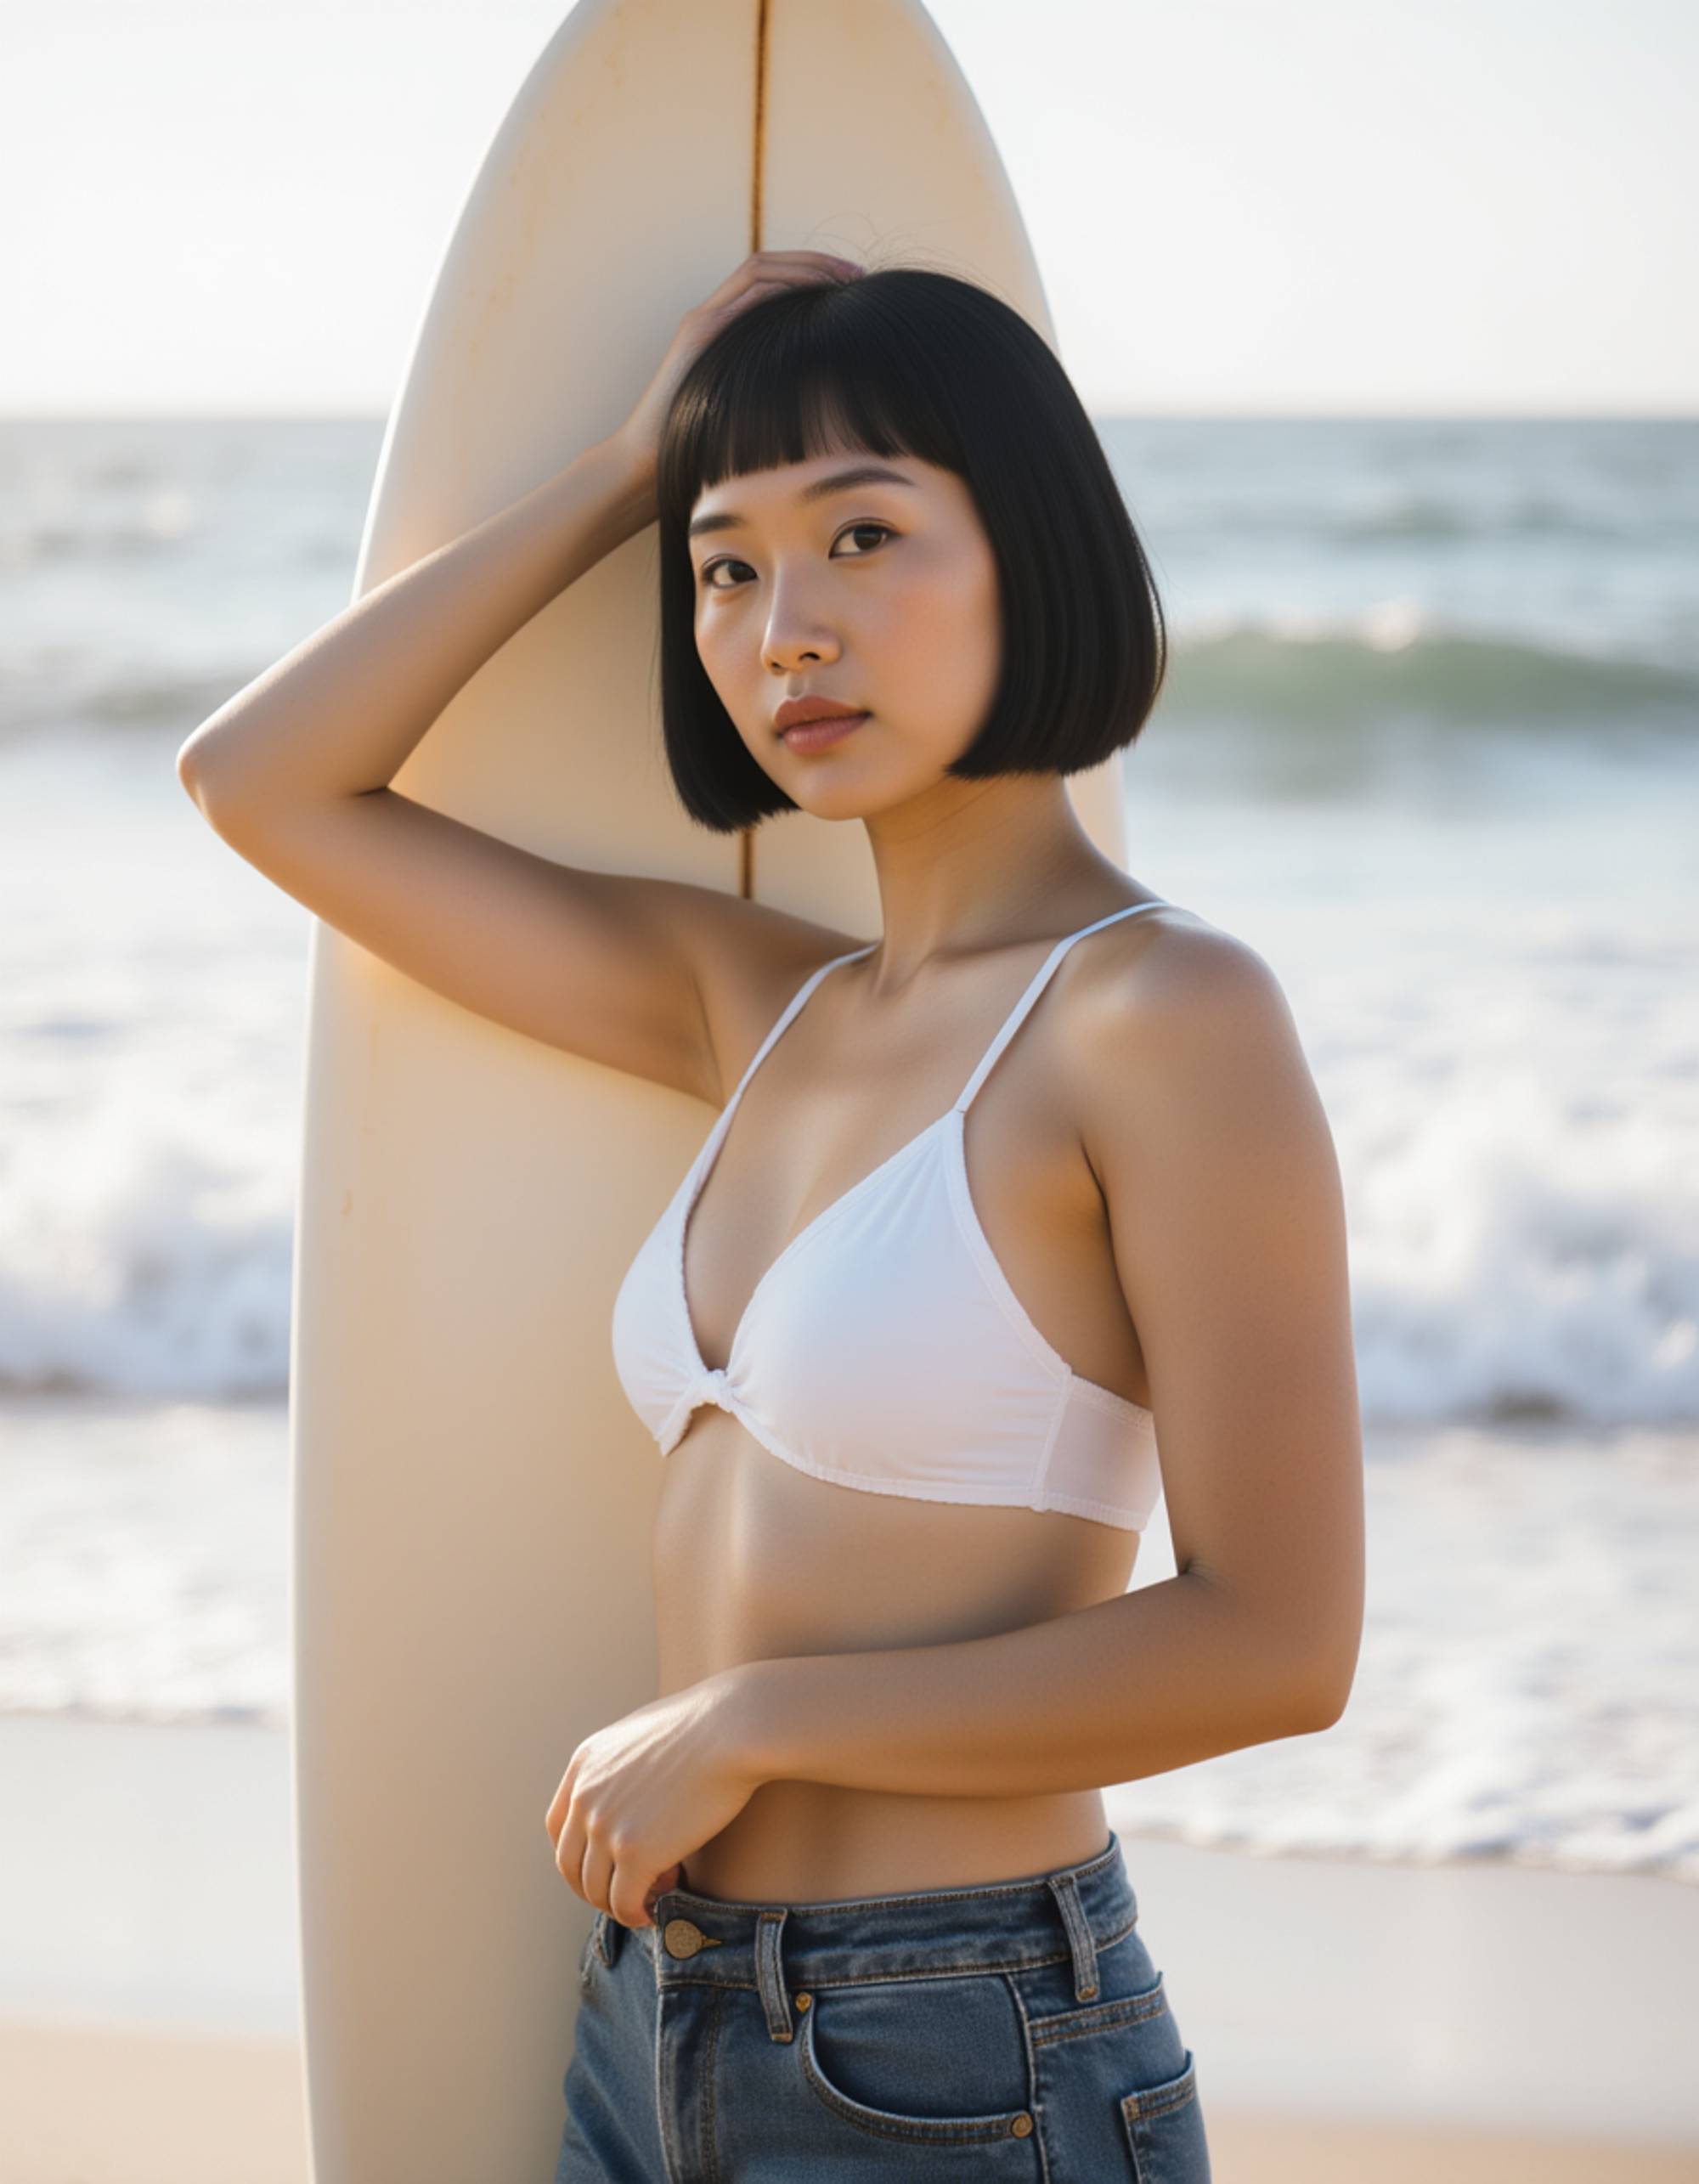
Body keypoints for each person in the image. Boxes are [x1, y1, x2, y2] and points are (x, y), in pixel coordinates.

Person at [177, 252, 1363, 2181]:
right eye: (726, 570)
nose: (785, 629)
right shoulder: (763, 1006)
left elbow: (1277, 1639)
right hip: (655, 2003)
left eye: (865, 535)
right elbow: (262, 781)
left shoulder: (1163, 1014)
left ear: (1032, 550)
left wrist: (752, 1718)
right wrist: (625, 470)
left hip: (962, 2035)